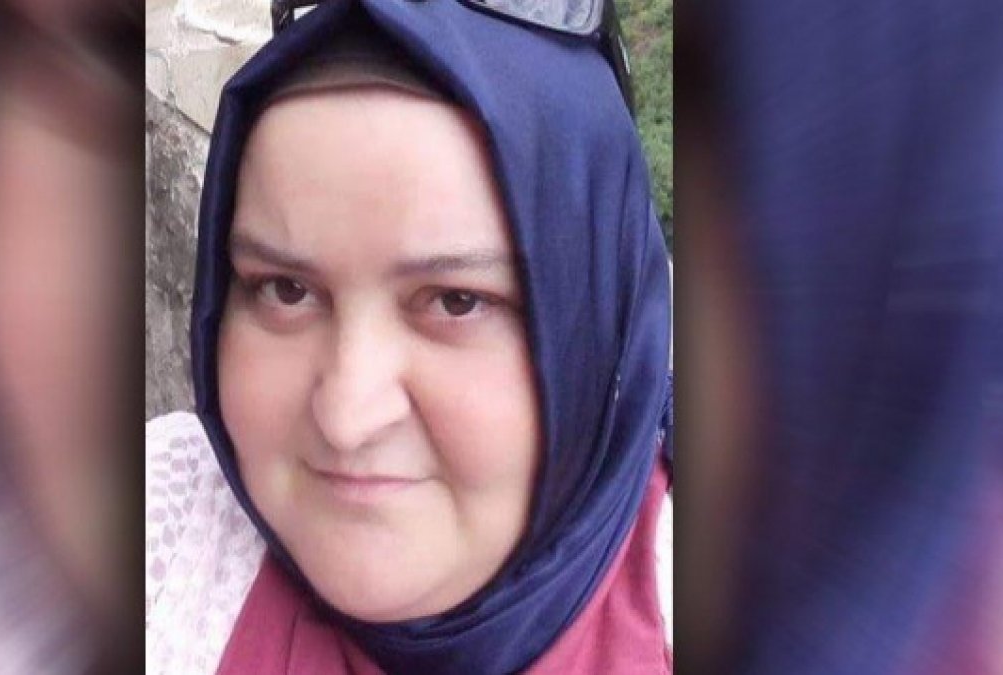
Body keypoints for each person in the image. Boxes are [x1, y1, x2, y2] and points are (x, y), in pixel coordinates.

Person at [146, 0, 673, 672]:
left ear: (599, 325)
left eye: (457, 301)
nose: (347, 418)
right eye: (285, 289)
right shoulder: (166, 525)